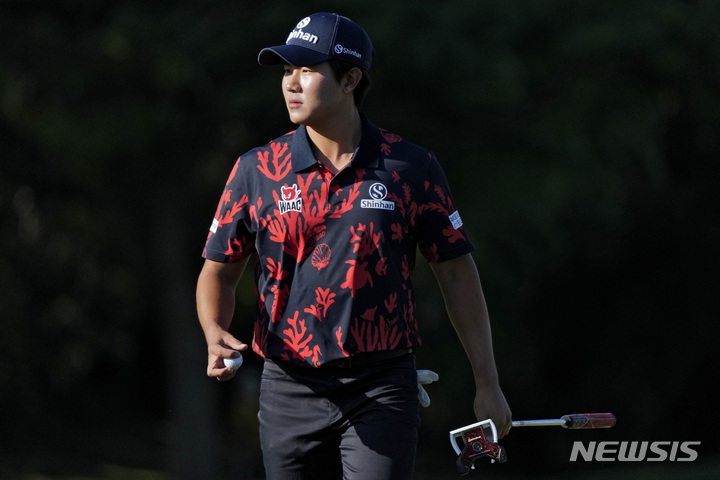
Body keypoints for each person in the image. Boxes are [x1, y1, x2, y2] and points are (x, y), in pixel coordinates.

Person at [196, 12, 511, 479]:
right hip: (288, 388)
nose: (291, 84)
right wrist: (213, 330)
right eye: (287, 70)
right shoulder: (256, 169)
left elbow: (456, 271)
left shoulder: (410, 167)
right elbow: (218, 271)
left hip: (381, 386)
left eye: (307, 70)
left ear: (350, 80)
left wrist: (488, 383)